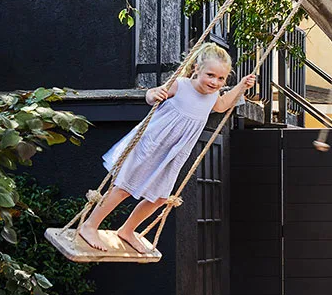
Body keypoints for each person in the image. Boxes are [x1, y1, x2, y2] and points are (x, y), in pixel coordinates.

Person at [78, 44, 256, 255]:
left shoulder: (212, 97)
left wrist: (241, 86)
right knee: (124, 186)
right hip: (152, 142)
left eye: (221, 79)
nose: (214, 82)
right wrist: (154, 95)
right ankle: (89, 225)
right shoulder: (180, 85)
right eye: (210, 75)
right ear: (197, 68)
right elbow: (151, 95)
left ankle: (127, 230)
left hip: (173, 153)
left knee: (160, 197)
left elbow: (222, 105)